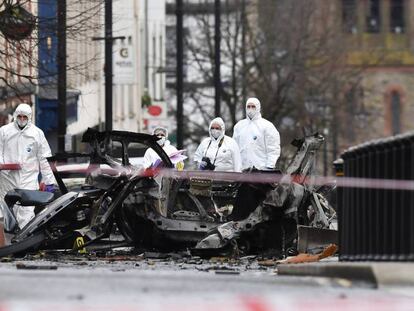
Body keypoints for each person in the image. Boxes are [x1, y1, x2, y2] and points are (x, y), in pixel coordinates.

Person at [0, 103, 56, 243]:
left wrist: (49, 181)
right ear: (15, 116)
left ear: (30, 117)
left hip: (28, 179)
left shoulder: (37, 134)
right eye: (19, 116)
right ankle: (8, 244)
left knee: (26, 212)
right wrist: (4, 166)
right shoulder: (4, 132)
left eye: (25, 116)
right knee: (7, 212)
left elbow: (44, 158)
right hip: (8, 178)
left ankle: (24, 244)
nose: (22, 119)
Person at [232, 97, 281, 170]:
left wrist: (270, 166)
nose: (250, 109)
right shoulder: (239, 126)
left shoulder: (267, 126)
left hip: (261, 170)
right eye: (248, 106)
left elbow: (273, 148)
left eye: (253, 106)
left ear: (258, 108)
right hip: (242, 170)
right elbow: (234, 149)